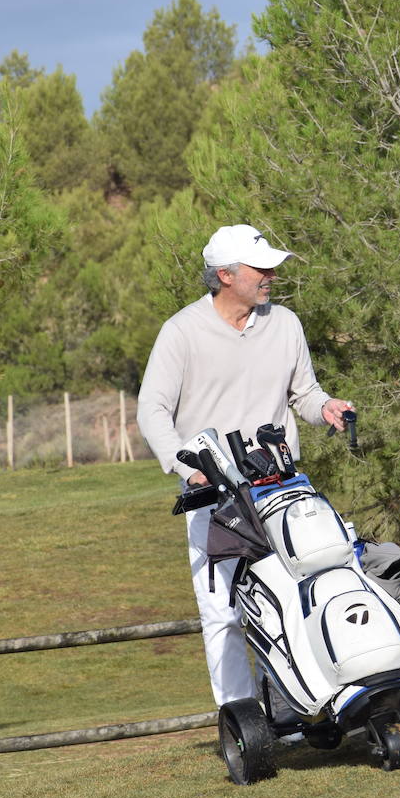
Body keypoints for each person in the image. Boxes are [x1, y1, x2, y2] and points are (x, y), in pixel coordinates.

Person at [138, 223, 352, 712]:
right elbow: (152, 410)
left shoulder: (286, 324)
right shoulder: (181, 332)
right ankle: (240, 721)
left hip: (282, 486)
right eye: (261, 267)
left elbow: (304, 394)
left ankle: (302, 708)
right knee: (224, 615)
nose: (272, 274)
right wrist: (183, 466)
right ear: (226, 275)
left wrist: (326, 408)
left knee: (298, 598)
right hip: (215, 497)